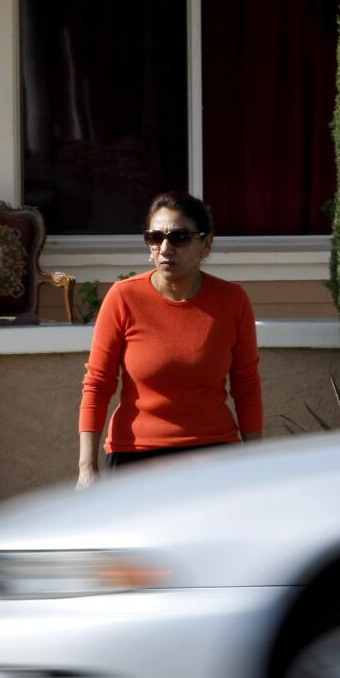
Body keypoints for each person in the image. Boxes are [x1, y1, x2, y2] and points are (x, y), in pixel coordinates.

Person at [78, 191, 262, 487]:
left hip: (213, 457)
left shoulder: (232, 301)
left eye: (179, 237)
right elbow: (98, 384)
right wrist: (86, 468)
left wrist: (255, 462)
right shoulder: (124, 297)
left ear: (206, 244)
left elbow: (246, 385)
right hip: (135, 456)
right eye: (155, 237)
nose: (165, 248)